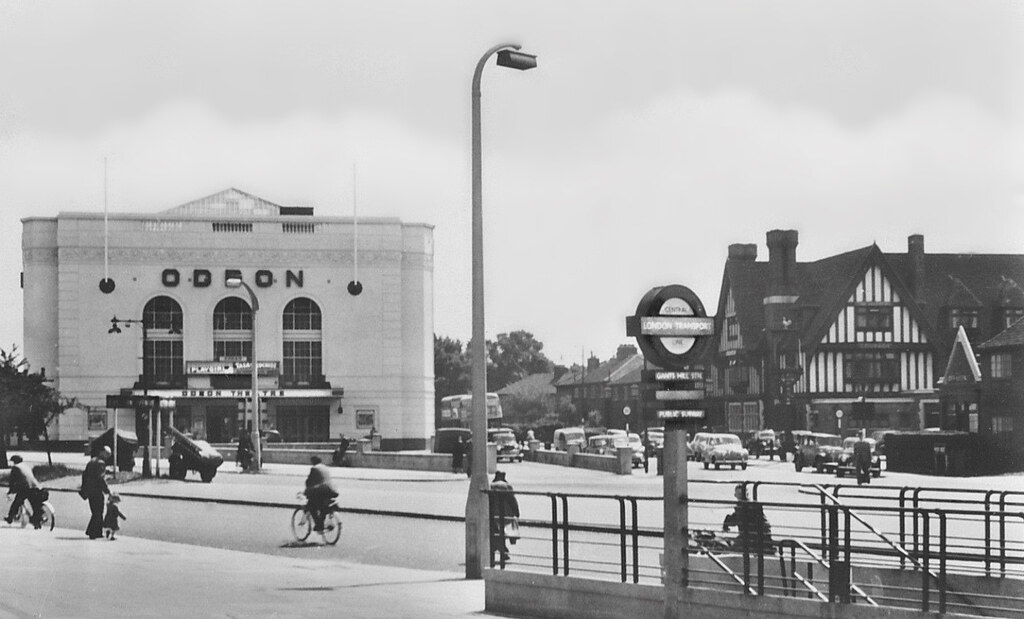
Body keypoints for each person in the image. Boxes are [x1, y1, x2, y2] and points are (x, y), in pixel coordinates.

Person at [722, 483, 773, 552]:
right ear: (735, 495)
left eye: (744, 494)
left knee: (730, 548)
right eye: (740, 494)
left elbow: (738, 519)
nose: (742, 497)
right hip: (755, 536)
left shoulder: (748, 506)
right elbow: (737, 518)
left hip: (754, 538)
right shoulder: (748, 506)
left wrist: (727, 522)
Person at [489, 471, 520, 563]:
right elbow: (513, 501)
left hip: (493, 513)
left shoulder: (490, 485)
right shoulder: (507, 486)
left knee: (496, 532)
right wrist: (517, 513)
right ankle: (503, 551)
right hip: (505, 514)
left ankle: (498, 550)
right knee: (502, 532)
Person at [81, 447, 111, 539]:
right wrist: (107, 490)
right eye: (107, 454)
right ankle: (93, 532)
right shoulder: (101, 463)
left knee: (95, 511)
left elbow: (84, 475)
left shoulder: (91, 461)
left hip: (90, 490)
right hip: (97, 491)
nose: (108, 457)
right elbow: (101, 478)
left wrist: (84, 488)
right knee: (98, 511)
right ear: (102, 452)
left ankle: (97, 532)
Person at [5, 455, 42, 528]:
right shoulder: (26, 466)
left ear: (14, 461)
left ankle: (10, 518)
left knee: (16, 503)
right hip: (35, 486)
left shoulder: (16, 467)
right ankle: (37, 522)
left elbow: (12, 480)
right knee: (34, 505)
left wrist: (10, 490)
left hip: (25, 488)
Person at [304, 456, 338, 532]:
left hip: (323, 489)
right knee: (322, 506)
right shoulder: (325, 467)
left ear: (313, 462)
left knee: (311, 506)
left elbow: (309, 481)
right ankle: (321, 523)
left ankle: (319, 525)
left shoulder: (314, 468)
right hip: (332, 490)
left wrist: (306, 490)